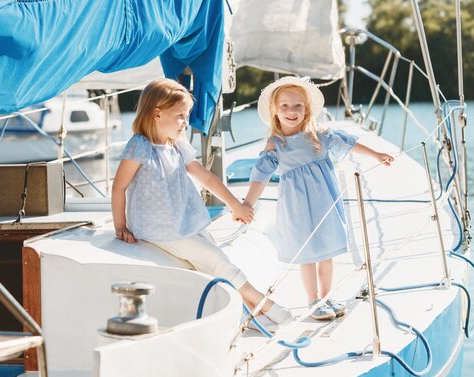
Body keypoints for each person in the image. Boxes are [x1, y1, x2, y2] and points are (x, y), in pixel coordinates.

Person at [111, 78, 293, 332]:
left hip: (182, 222)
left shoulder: (176, 145)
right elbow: (119, 187)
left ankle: (252, 312)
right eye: (181, 116)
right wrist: (121, 226)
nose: (185, 122)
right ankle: (265, 304)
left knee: (212, 260)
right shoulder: (140, 146)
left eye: (186, 116)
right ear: (157, 114)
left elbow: (205, 177)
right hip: (157, 227)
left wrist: (235, 205)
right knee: (216, 259)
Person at [243, 76, 394, 320]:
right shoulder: (276, 143)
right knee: (308, 254)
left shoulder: (319, 134)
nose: (292, 111)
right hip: (298, 206)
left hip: (325, 202)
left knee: (326, 252)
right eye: (285, 106)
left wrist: (376, 154)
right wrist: (248, 203)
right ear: (275, 110)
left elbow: (350, 143)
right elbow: (261, 174)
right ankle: (314, 301)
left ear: (307, 109)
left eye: (298, 106)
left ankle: (327, 296)